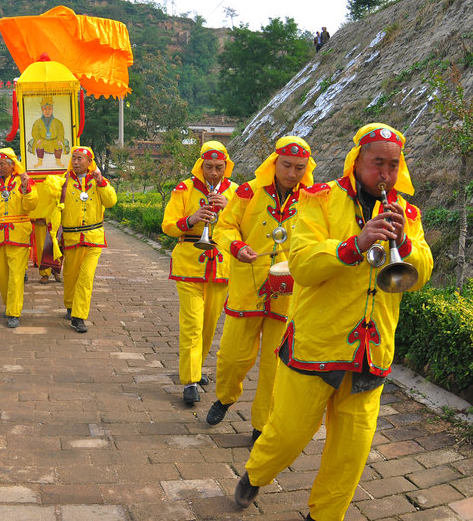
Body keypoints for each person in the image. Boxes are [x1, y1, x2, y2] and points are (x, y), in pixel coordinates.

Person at [234, 123, 433, 521]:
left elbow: (422, 272)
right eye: (378, 163)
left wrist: (405, 243)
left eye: (393, 166)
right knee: (287, 436)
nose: (386, 174)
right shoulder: (318, 199)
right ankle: (256, 473)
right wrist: (353, 245)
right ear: (357, 161)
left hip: (370, 350)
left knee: (351, 452)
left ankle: (324, 515)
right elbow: (303, 264)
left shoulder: (407, 212)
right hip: (315, 343)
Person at [208, 136, 315, 442]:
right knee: (232, 358)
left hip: (288, 293)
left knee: (274, 367)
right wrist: (237, 246)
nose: (292, 173)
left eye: (299, 168)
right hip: (247, 288)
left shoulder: (312, 198)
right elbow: (224, 227)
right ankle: (226, 397)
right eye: (286, 165)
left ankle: (261, 426)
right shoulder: (248, 192)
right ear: (273, 163)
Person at [161, 141, 237, 405]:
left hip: (221, 267)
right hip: (189, 264)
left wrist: (228, 207)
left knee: (208, 325)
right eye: (208, 167)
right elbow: (168, 225)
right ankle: (190, 379)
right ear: (200, 166)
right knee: (192, 324)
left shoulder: (237, 192)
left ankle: (198, 367)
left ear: (226, 167)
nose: (214, 174)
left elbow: (244, 227)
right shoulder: (185, 189)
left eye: (219, 168)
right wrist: (192, 220)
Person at [57, 146, 117, 332]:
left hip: (93, 237)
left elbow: (111, 202)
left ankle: (78, 316)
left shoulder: (98, 180)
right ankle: (70, 304)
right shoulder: (63, 181)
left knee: (86, 277)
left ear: (90, 162)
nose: (75, 162)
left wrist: (102, 183)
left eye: (80, 159)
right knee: (70, 275)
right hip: (72, 236)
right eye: (73, 158)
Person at [0, 148, 36, 328]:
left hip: (19, 234)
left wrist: (27, 189)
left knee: (16, 276)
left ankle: (13, 312)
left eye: (2, 164)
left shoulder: (23, 181)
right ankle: (9, 304)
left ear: (12, 165)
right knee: (2, 277)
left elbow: (31, 205)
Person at [28, 96, 67, 168]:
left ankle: (58, 161)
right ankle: (39, 162)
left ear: (52, 109)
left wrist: (59, 139)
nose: (47, 111)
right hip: (43, 141)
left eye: (49, 109)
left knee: (59, 144)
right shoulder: (38, 122)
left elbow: (61, 132)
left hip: (54, 141)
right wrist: (37, 138)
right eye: (45, 109)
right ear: (42, 110)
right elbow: (34, 131)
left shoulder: (58, 122)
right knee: (39, 144)